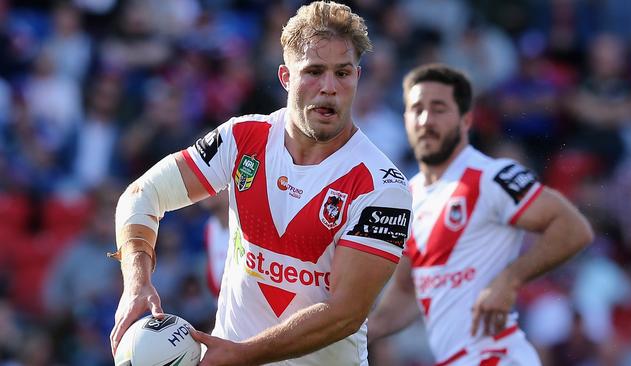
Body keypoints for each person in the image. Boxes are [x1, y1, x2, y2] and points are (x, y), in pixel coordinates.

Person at [109, 2, 413, 365]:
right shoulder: (242, 137)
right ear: (286, 77)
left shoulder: (382, 186)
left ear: (357, 78)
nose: (329, 87)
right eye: (314, 71)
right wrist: (136, 283)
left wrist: (243, 355)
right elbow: (143, 195)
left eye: (343, 73)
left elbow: (344, 313)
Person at [367, 63, 594, 365]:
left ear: (465, 120)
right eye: (416, 109)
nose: (425, 120)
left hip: (496, 355)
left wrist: (510, 280)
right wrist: (352, 335)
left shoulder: (490, 175)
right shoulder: (408, 196)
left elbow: (574, 228)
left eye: (439, 109)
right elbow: (407, 292)